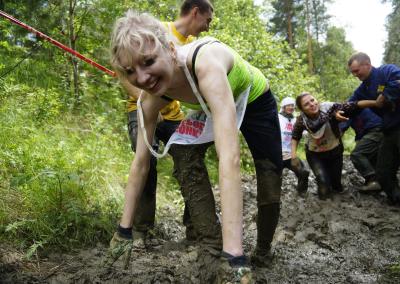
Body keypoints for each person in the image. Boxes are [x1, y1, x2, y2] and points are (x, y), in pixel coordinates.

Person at [107, 9, 285, 281]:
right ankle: (210, 244)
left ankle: (262, 249)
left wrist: (235, 256)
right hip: (208, 104)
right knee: (185, 156)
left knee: (270, 176)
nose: (142, 78)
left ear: (170, 48)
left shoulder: (205, 63)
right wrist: (124, 230)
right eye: (131, 71)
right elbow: (141, 162)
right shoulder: (151, 97)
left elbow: (230, 159)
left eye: (149, 61)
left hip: (254, 100)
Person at [121, 0, 214, 246]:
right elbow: (120, 68)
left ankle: (195, 229)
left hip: (174, 115)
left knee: (189, 158)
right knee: (146, 161)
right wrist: (145, 102)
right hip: (141, 111)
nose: (207, 27)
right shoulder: (156, 31)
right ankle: (141, 231)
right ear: (196, 12)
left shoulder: (195, 46)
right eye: (208, 20)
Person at [348, 52, 400, 206]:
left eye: (357, 71)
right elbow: (351, 105)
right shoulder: (362, 89)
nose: (355, 75)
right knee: (383, 173)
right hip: (389, 130)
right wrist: (336, 112)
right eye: (353, 72)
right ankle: (397, 204)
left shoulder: (387, 71)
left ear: (367, 64)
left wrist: (385, 95)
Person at [291, 92, 377, 200]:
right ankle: (324, 201)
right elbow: (295, 136)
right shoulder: (301, 120)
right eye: (306, 104)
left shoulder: (330, 108)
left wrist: (376, 103)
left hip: (335, 151)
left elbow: (353, 105)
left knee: (336, 185)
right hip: (315, 154)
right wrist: (293, 156)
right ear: (302, 109)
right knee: (323, 184)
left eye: (312, 100)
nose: (312, 104)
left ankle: (336, 191)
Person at [340, 108, 383, 192]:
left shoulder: (347, 111)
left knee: (357, 154)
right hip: (378, 130)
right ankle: (376, 182)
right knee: (369, 157)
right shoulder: (359, 109)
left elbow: (340, 131)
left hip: (375, 130)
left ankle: (372, 180)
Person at [278, 97, 309, 196]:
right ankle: (275, 196)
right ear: (283, 107)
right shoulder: (277, 117)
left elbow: (302, 130)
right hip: (277, 153)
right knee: (274, 178)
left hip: (291, 154)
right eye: (288, 105)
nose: (291, 107)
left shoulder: (296, 119)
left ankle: (301, 191)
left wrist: (306, 133)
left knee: (304, 171)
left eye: (292, 105)